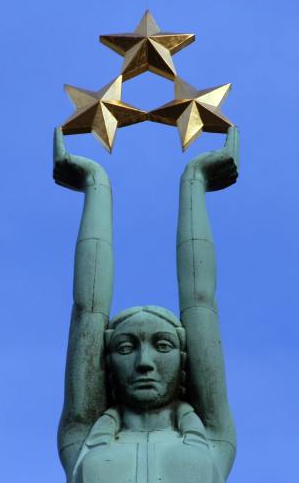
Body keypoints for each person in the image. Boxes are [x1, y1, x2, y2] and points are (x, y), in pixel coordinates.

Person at [53, 126, 239, 483]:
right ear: (106, 364)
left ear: (185, 361)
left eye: (163, 345)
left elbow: (200, 299)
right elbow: (87, 309)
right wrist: (96, 184)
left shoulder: (213, 436)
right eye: (125, 348)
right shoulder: (83, 437)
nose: (144, 363)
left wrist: (194, 181)